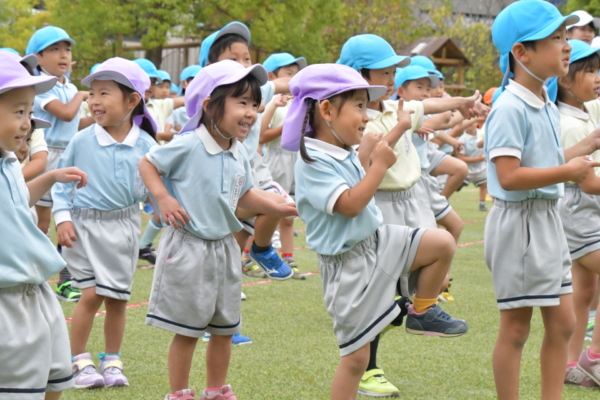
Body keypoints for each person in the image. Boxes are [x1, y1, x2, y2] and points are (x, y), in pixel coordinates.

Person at [282, 63, 468, 400]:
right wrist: (380, 166)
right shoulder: (312, 162)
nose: (367, 116)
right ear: (326, 109)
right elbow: (351, 204)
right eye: (358, 106)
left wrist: (398, 129)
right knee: (356, 360)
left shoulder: (339, 149)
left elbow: (373, 152)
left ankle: (421, 312)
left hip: (378, 240)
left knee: (442, 243)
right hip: (347, 263)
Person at [140, 60, 297, 400]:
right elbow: (148, 162)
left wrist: (278, 205)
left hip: (226, 248)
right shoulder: (190, 143)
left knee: (225, 328)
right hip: (188, 247)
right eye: (242, 102)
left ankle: (216, 391)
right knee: (187, 331)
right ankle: (180, 393)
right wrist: (163, 197)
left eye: (255, 104)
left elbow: (246, 193)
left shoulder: (239, 151)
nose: (251, 112)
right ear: (210, 105)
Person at [336, 33, 478, 397]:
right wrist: (399, 126)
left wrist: (463, 101)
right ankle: (369, 368)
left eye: (391, 72)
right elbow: (365, 165)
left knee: (433, 253)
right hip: (380, 204)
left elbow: (426, 108)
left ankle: (418, 310)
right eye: (383, 73)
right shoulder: (352, 118)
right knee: (379, 292)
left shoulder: (390, 107)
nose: (389, 80)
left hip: (412, 200)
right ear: (359, 75)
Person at [486, 2, 600, 398]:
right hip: (519, 226)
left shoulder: (545, 102)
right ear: (521, 53)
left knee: (565, 323)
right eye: (555, 38)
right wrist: (567, 172)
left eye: (565, 36)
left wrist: (581, 149)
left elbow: (545, 162)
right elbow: (509, 176)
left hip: (547, 222)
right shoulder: (508, 106)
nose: (567, 45)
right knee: (515, 329)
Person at [52, 57, 158, 389]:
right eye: (92, 93)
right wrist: (62, 219)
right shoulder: (82, 139)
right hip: (84, 227)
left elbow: (155, 187)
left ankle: (112, 359)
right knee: (90, 294)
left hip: (125, 228)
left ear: (132, 100)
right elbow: (60, 184)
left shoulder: (146, 145)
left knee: (117, 298)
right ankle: (78, 360)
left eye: (104, 93)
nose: (95, 101)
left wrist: (158, 206)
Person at [0, 53, 88, 400]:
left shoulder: (7, 162)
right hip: (7, 301)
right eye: (19, 112)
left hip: (37, 295)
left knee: (54, 385)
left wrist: (50, 177)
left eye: (29, 111)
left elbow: (18, 201)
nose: (28, 124)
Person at [200, 21, 295, 280]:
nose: (243, 65)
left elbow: (284, 83)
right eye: (233, 59)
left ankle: (258, 250)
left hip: (251, 167)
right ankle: (252, 253)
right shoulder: (209, 98)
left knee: (277, 206)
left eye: (246, 58)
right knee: (228, 229)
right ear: (211, 69)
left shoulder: (255, 86)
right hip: (221, 173)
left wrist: (313, 81)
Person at [27, 25, 94, 302]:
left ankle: (66, 282)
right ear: (37, 58)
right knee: (41, 222)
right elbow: (66, 115)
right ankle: (35, 275)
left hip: (70, 156)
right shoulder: (41, 87)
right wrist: (83, 95)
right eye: (54, 49)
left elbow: (76, 124)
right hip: (48, 157)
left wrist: (105, 116)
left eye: (66, 49)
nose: (63, 55)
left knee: (69, 221)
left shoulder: (69, 87)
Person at [553, 39, 600, 387]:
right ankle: (594, 355)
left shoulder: (585, 110)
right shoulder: (568, 122)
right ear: (565, 81)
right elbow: (586, 183)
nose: (598, 78)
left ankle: (571, 364)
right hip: (578, 210)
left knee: (584, 291)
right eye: (590, 72)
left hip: (585, 212)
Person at [260, 52, 307, 278]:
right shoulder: (270, 103)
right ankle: (251, 256)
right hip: (275, 159)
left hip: (295, 159)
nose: (293, 79)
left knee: (289, 214)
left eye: (296, 74)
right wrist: (287, 128)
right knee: (266, 210)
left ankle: (288, 259)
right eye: (289, 74)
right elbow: (262, 137)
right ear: (272, 77)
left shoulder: (299, 102)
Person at [457, 119, 489, 211]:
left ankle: (482, 204)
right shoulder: (462, 140)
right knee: (454, 184)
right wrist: (477, 159)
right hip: (467, 169)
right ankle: (444, 200)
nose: (470, 124)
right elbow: (461, 158)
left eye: (472, 122)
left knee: (484, 185)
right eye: (467, 122)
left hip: (481, 167)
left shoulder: (482, 134)